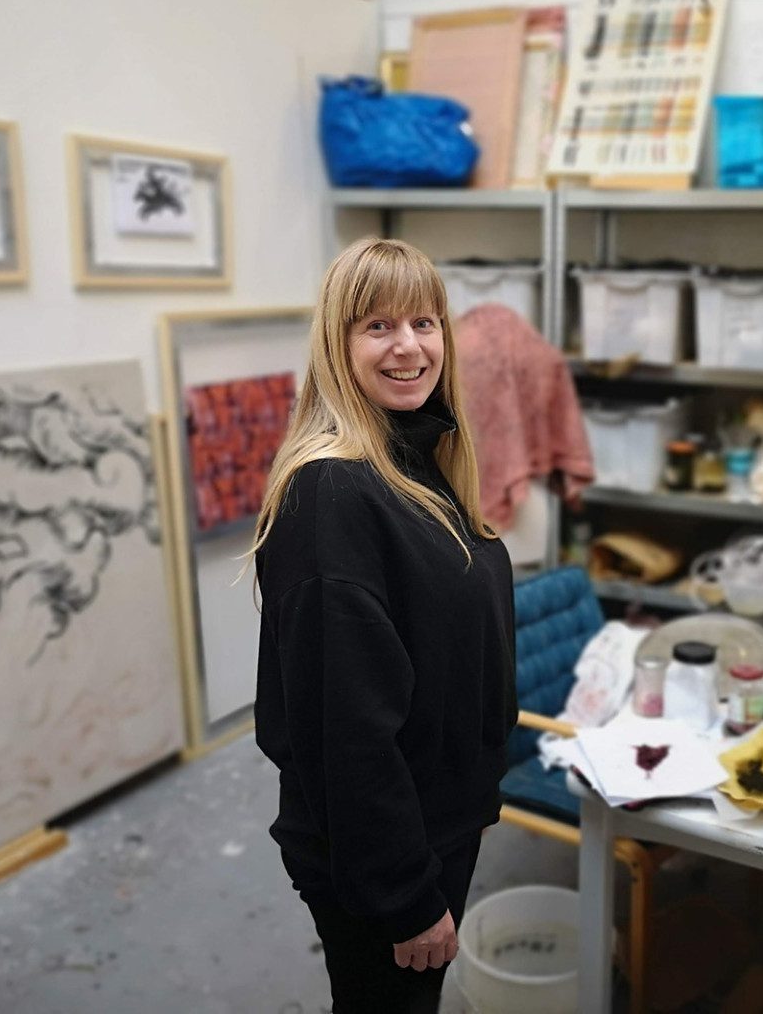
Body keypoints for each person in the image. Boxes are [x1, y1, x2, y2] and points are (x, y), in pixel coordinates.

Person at [249, 237, 517, 1012]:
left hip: (435, 818)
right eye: (377, 327)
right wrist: (405, 893)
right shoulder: (332, 494)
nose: (409, 346)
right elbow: (346, 728)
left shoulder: (412, 460)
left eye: (426, 322)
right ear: (337, 345)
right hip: (382, 854)